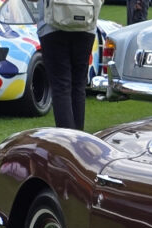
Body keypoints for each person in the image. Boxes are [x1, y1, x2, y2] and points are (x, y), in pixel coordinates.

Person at [37, 0, 103, 130]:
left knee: (61, 87)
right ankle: (78, 139)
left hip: (52, 26)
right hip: (86, 22)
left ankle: (68, 143)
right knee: (78, 86)